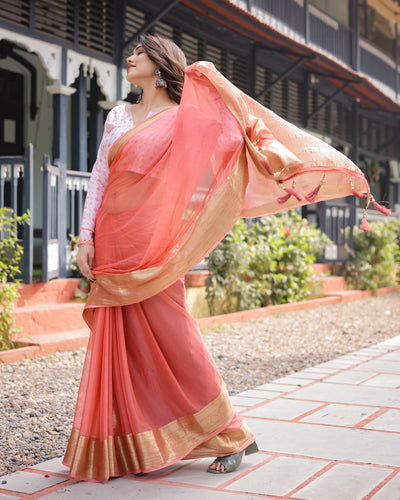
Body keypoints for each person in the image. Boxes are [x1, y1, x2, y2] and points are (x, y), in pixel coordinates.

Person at [63, 33, 372, 483]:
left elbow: (233, 140)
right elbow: (99, 177)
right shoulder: (118, 116)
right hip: (112, 237)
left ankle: (233, 433)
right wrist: (85, 236)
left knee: (174, 336)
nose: (128, 58)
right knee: (124, 341)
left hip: (155, 244)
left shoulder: (186, 120)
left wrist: (263, 142)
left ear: (160, 62)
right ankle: (132, 443)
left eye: (138, 52)